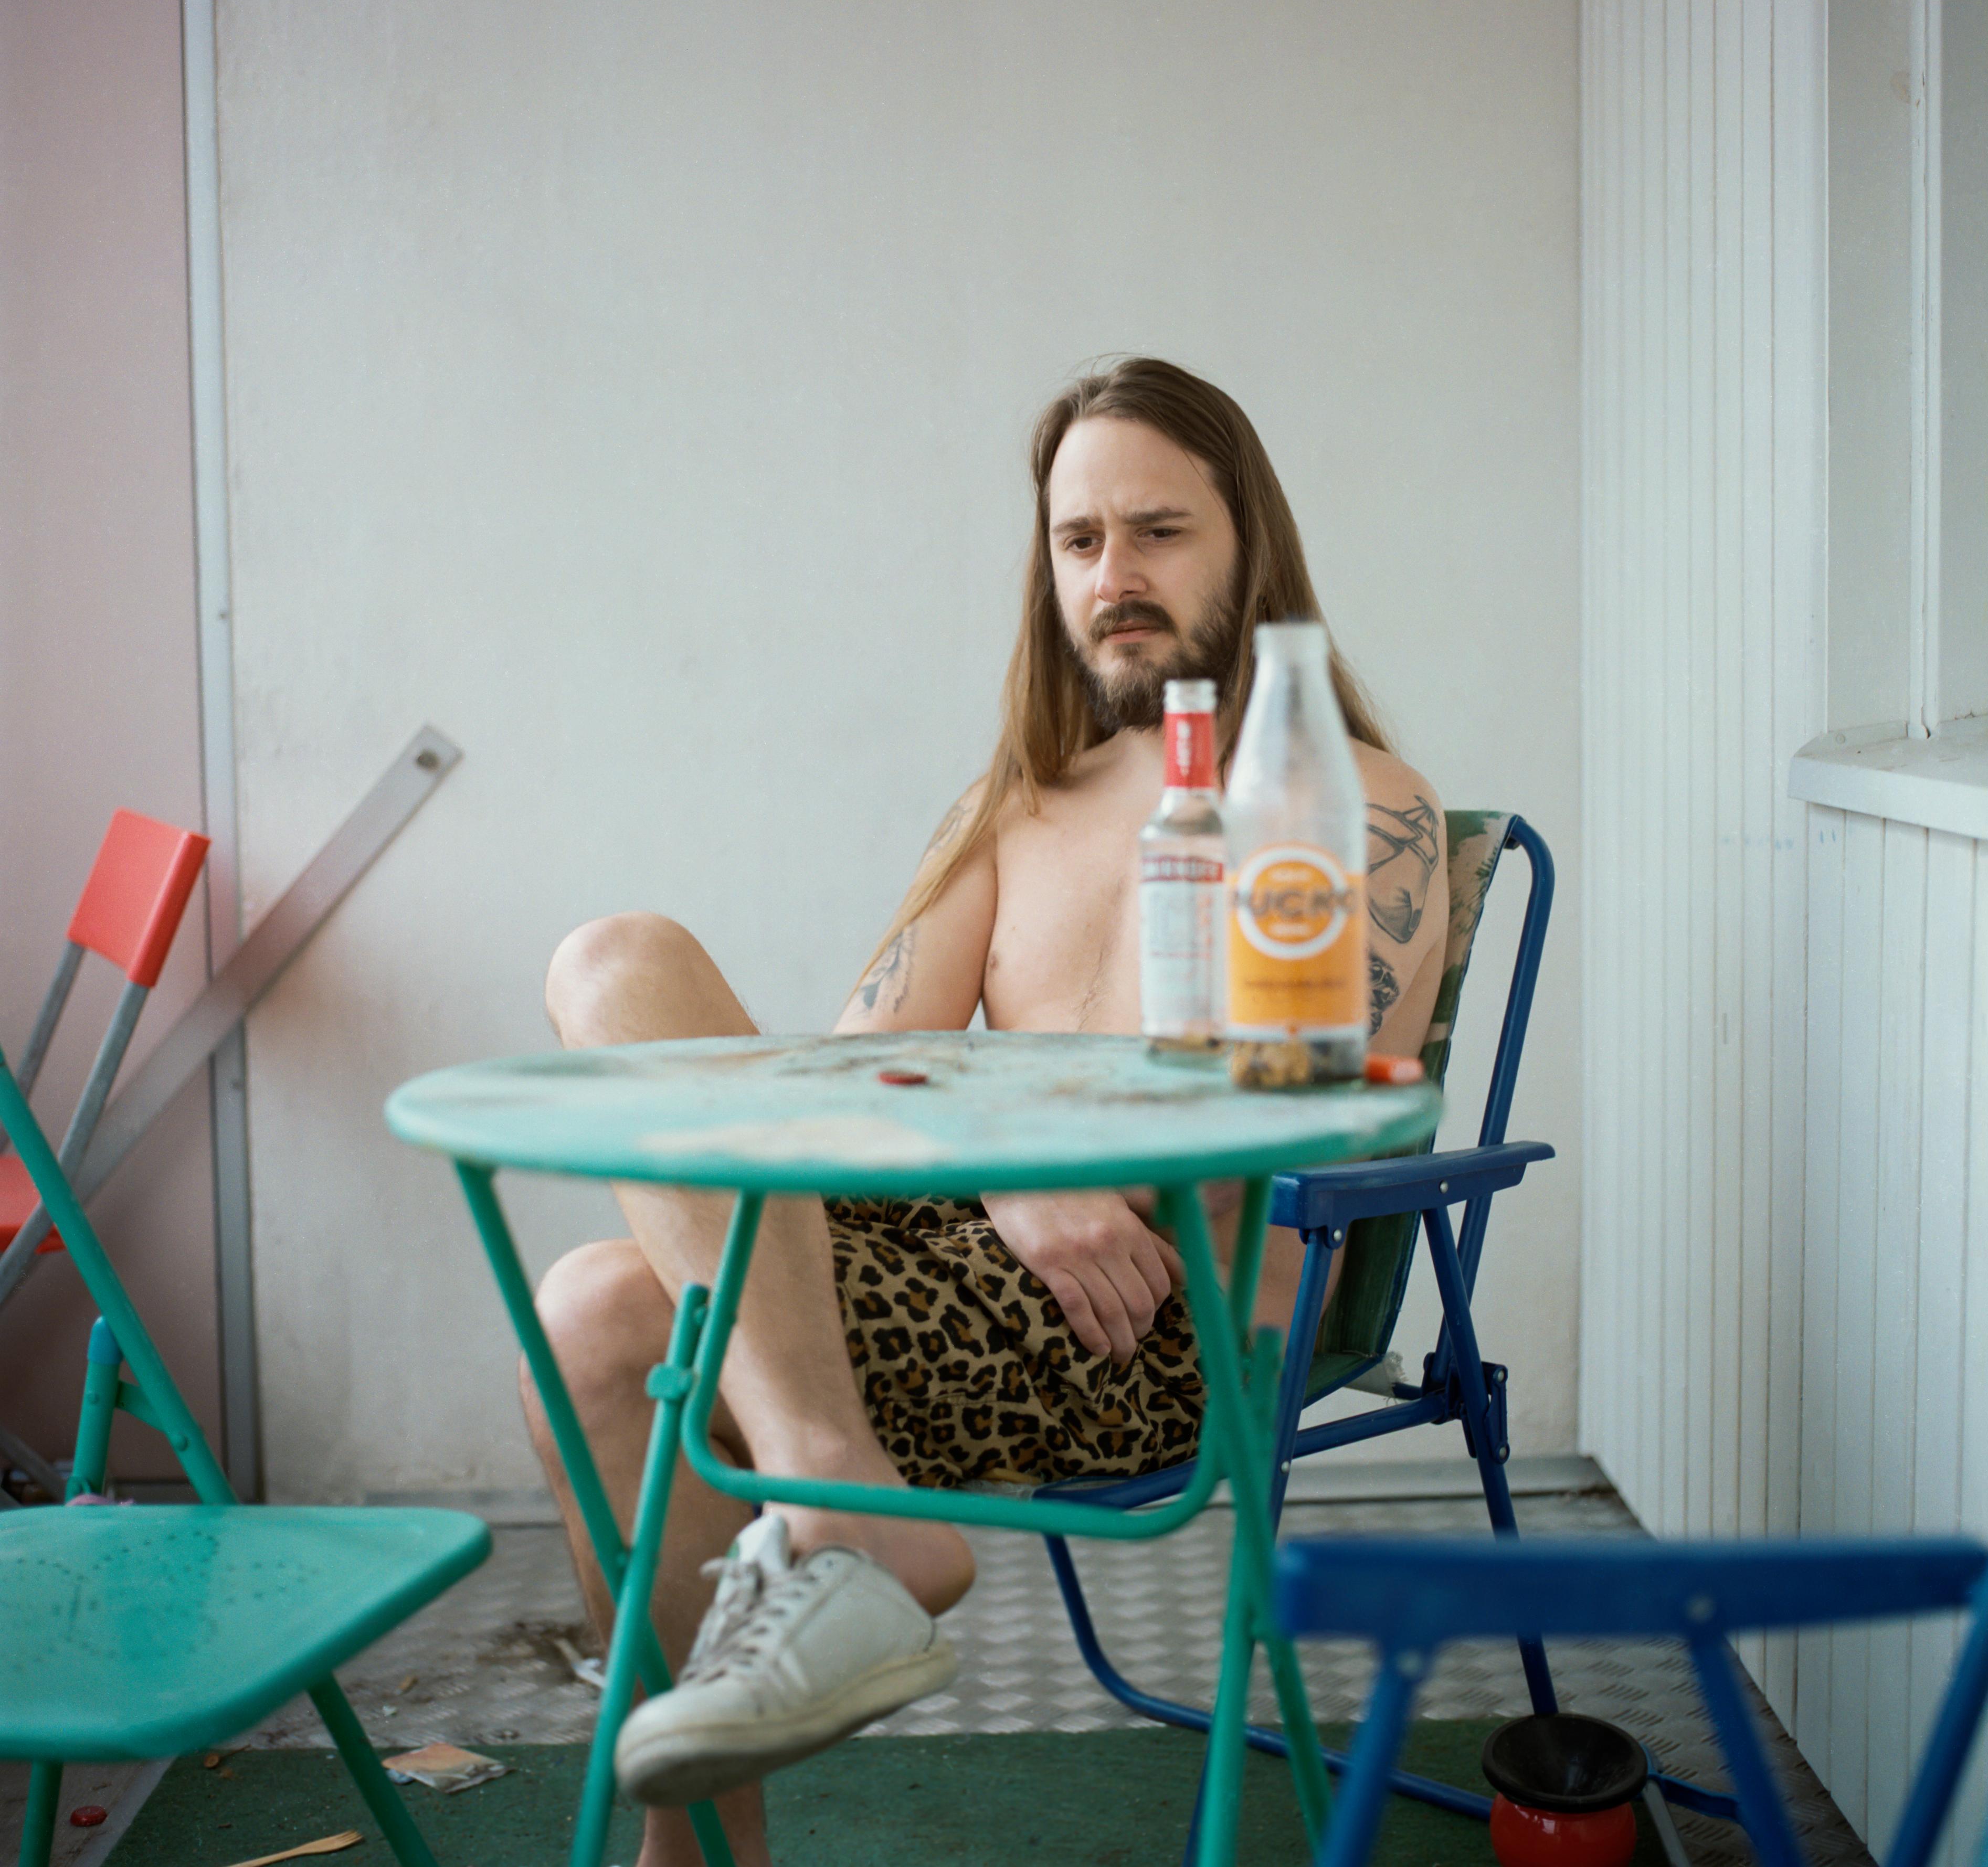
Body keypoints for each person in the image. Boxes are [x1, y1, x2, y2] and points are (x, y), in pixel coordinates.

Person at [528, 357, 1450, 1867]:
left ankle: (696, 1849)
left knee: (594, 1318)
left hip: (1163, 1322)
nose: (1114, 576)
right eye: (1079, 541)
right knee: (610, 963)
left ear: (1250, 547)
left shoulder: (1353, 800)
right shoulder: (1022, 799)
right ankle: (847, 1505)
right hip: (981, 1246)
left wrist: (1057, 1171)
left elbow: (1308, 1102)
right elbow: (852, 1074)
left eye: (1158, 531)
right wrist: (1016, 1181)